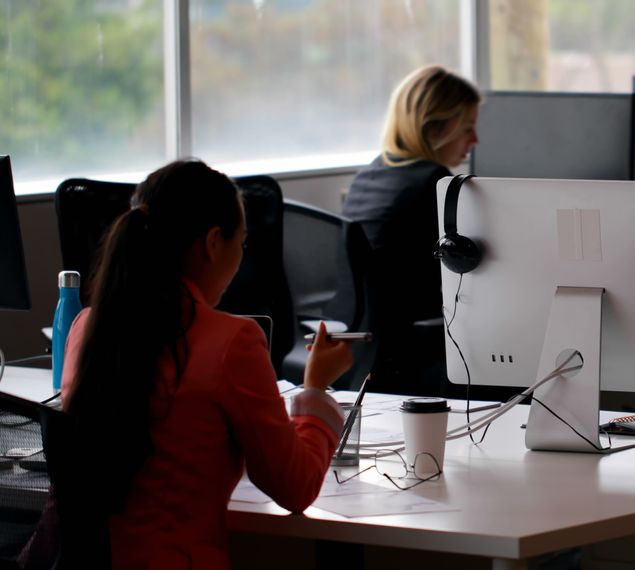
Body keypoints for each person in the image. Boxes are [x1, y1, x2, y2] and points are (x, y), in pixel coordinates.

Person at [51, 160, 355, 568]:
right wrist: (315, 388)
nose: (240, 256)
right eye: (241, 243)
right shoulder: (232, 342)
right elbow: (295, 487)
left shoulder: (86, 328)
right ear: (213, 243)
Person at [342, 64, 480, 397]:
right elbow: (464, 283)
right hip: (412, 361)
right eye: (468, 128)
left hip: (367, 357)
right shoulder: (432, 185)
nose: (475, 140)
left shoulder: (368, 177)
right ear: (436, 128)